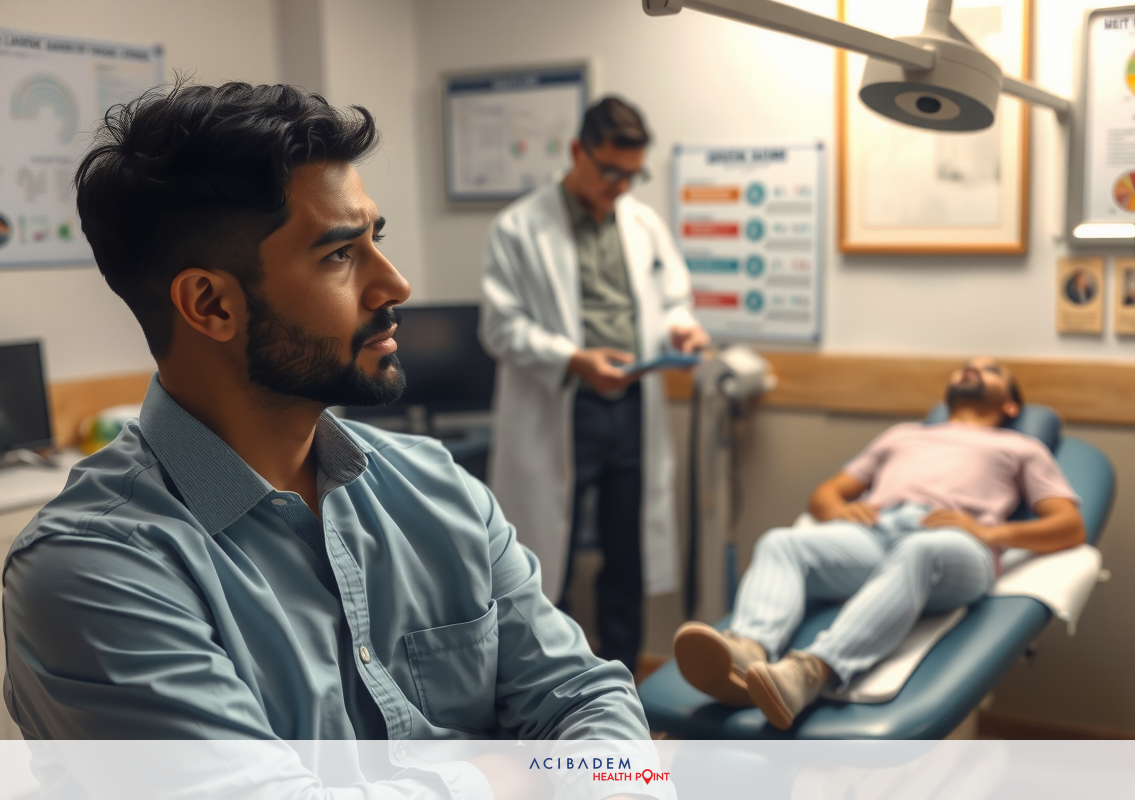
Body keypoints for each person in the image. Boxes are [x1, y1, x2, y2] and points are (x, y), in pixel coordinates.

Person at [2, 81, 652, 770]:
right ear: (211, 305)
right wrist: (507, 777)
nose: (395, 284)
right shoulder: (92, 571)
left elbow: (587, 697)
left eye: (376, 239)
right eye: (340, 254)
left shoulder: (437, 488)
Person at [672, 357, 1085, 729]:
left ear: (1011, 406)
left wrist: (990, 533)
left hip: (954, 545)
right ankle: (747, 652)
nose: (972, 368)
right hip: (878, 534)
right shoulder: (902, 435)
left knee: (920, 551)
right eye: (967, 366)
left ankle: (811, 672)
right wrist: (840, 509)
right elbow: (825, 494)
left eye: (991, 369)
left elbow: (1069, 526)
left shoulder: (1021, 447)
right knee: (781, 542)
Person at [480, 97, 708, 674]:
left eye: (633, 174)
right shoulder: (519, 227)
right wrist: (573, 359)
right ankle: (552, 685)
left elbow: (674, 298)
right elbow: (500, 327)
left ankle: (622, 682)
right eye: (610, 171)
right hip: (563, 405)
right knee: (546, 561)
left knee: (625, 553)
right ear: (577, 151)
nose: (621, 186)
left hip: (631, 407)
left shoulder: (642, 223)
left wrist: (682, 328)